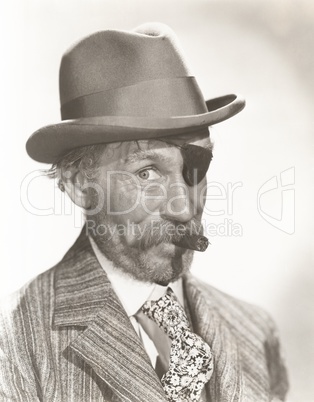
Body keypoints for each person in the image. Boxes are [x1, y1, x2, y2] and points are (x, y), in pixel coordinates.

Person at [0, 23, 288, 401]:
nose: (185, 209)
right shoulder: (15, 343)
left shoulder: (254, 331)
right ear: (77, 184)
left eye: (196, 168)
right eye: (146, 172)